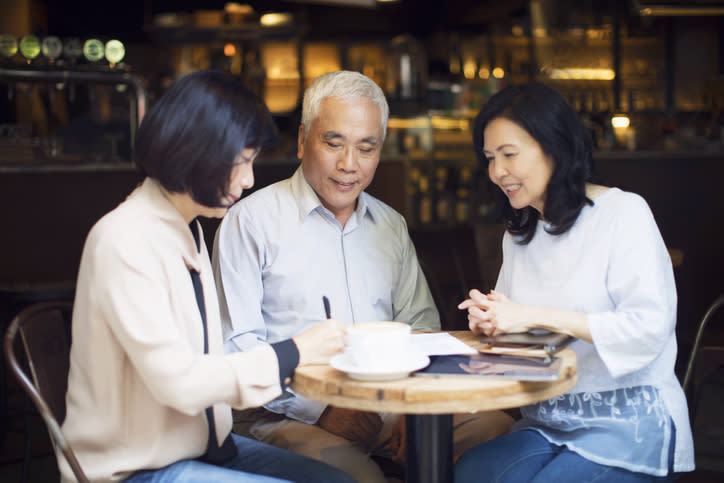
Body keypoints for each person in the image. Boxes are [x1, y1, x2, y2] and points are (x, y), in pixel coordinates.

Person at [213, 70, 514, 482]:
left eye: (366, 148)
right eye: (332, 143)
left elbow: (421, 326)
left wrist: (416, 404)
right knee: (358, 477)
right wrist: (322, 408)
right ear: (302, 140)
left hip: (388, 405)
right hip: (284, 416)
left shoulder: (389, 225)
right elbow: (238, 347)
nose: (348, 165)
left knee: (498, 435)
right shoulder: (251, 222)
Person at [60, 70, 355, 483]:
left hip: (201, 447)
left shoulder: (188, 228)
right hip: (135, 469)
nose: (250, 180)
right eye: (242, 161)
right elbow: (180, 383)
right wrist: (294, 352)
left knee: (338, 480)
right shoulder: (124, 239)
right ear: (197, 152)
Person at [455, 81, 695, 482]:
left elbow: (647, 330)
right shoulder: (520, 234)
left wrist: (530, 315)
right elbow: (523, 334)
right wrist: (495, 323)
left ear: (555, 147)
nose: (497, 172)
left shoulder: (622, 213)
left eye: (509, 155)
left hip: (631, 423)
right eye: (490, 158)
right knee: (472, 471)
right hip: (549, 422)